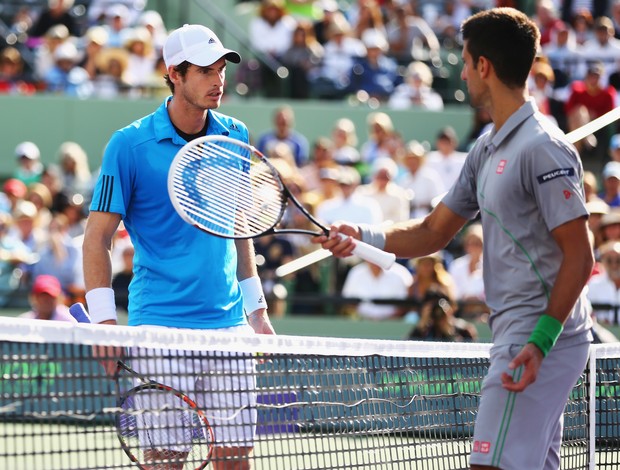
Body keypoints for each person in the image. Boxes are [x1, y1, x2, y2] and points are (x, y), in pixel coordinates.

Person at [314, 8, 594, 470]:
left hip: (538, 335)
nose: (461, 72)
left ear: (484, 66)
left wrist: (540, 342)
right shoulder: (486, 145)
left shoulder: (543, 146)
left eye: (465, 61)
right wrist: (363, 234)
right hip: (519, 333)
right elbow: (433, 230)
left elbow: (580, 258)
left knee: (486, 466)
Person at [82, 24, 275, 469]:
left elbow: (238, 224)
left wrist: (257, 312)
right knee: (165, 459)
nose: (218, 79)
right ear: (174, 74)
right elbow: (97, 238)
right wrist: (104, 321)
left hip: (229, 328)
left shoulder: (235, 134)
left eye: (221, 68)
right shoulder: (128, 145)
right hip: (161, 327)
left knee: (236, 458)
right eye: (205, 70)